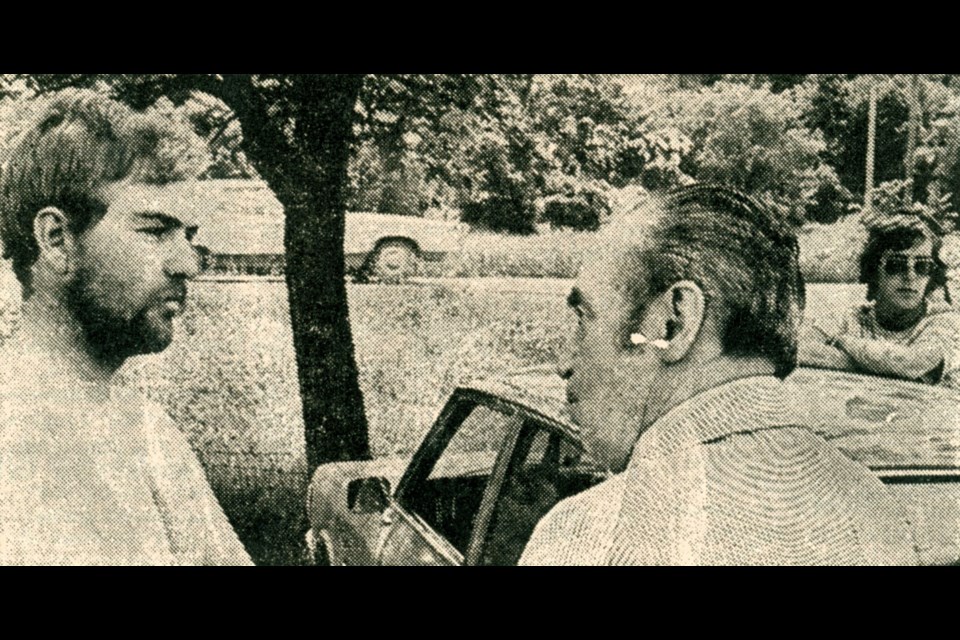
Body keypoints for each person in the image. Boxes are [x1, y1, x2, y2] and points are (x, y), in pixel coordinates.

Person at [519, 184, 918, 566]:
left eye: (584, 319)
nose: (564, 362)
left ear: (675, 322)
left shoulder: (583, 535)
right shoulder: (878, 511)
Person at [0, 89, 252, 565]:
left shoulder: (144, 424)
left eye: (189, 237)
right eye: (155, 231)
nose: (187, 264)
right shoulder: (16, 442)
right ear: (56, 240)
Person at [799, 212, 960, 387]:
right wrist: (878, 365)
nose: (910, 276)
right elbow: (799, 348)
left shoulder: (945, 322)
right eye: (896, 265)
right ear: (874, 272)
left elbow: (912, 362)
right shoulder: (852, 317)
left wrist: (841, 341)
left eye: (922, 266)